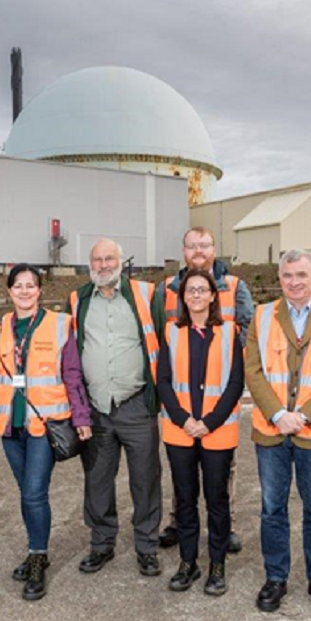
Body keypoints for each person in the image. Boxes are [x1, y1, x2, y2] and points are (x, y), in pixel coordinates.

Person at [245, 249, 311, 615]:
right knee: (272, 509)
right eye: (288, 275)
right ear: (279, 278)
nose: (295, 281)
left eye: (301, 275)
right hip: (271, 433)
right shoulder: (261, 317)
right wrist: (277, 414)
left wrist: (304, 415)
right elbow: (254, 372)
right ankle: (276, 578)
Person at [0, 264, 92, 601]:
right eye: (19, 286)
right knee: (27, 494)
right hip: (10, 426)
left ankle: (38, 558)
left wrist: (81, 416)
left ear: (40, 290)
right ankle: (34, 551)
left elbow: (72, 374)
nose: (25, 291)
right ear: (10, 291)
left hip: (45, 424)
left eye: (31, 285)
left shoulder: (59, 325)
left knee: (33, 494)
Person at [153, 226, 253, 553]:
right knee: (181, 469)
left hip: (219, 393)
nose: (198, 251)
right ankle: (176, 521)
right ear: (183, 251)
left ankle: (227, 525)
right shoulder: (166, 288)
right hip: (180, 394)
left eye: (204, 245)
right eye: (192, 246)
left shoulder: (235, 287)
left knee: (224, 467)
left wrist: (222, 364)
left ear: (214, 248)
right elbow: (160, 335)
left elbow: (246, 333)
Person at [68, 239, 163, 577]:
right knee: (97, 480)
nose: (104, 264)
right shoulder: (78, 299)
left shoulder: (146, 295)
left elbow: (164, 340)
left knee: (146, 480)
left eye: (110, 258)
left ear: (121, 262)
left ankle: (147, 546)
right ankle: (101, 543)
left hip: (137, 405)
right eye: (97, 259)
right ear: (89, 263)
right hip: (96, 409)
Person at [158, 269, 243, 597]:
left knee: (217, 500)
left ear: (212, 296)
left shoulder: (229, 332)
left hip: (217, 432)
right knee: (185, 499)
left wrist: (209, 421)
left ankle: (217, 565)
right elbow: (163, 381)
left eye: (201, 290)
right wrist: (183, 419)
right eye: (189, 290)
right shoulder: (171, 332)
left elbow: (236, 382)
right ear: (183, 298)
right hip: (180, 432)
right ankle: (188, 562)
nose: (195, 295)